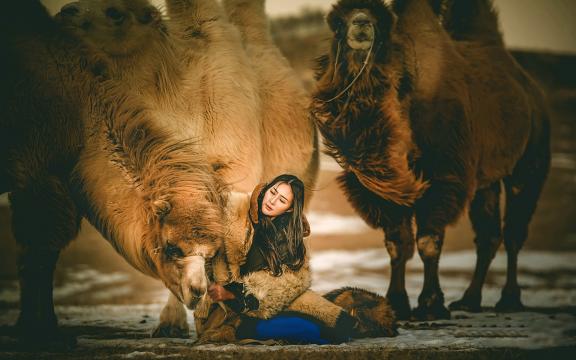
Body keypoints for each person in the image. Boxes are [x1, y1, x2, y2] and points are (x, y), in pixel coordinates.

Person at [202, 174, 356, 344]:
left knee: (339, 330)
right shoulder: (234, 214)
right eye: (272, 192)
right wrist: (230, 293)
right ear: (266, 189)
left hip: (268, 305)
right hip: (232, 316)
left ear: (289, 209)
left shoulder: (287, 236)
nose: (272, 201)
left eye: (282, 200)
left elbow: (289, 283)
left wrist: (242, 294)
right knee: (307, 329)